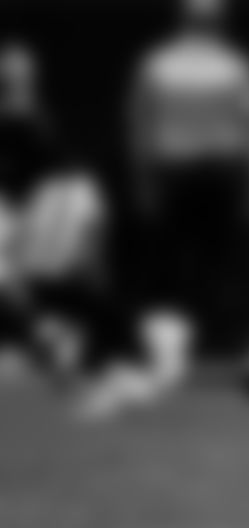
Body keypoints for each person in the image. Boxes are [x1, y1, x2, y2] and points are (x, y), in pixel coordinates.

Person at [0, 44, 153, 417]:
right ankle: (77, 352)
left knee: (62, 284)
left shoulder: (23, 116)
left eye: (16, 74)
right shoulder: (22, 116)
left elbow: (30, 164)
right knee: (41, 287)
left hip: (58, 197)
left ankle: (127, 361)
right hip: (43, 201)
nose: (13, 79)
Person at [128, 0, 249, 392]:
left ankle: (189, 353)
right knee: (209, 265)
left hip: (186, 173)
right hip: (211, 173)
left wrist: (143, 181)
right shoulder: (232, 65)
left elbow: (140, 127)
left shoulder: (162, 64)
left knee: (188, 266)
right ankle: (204, 351)